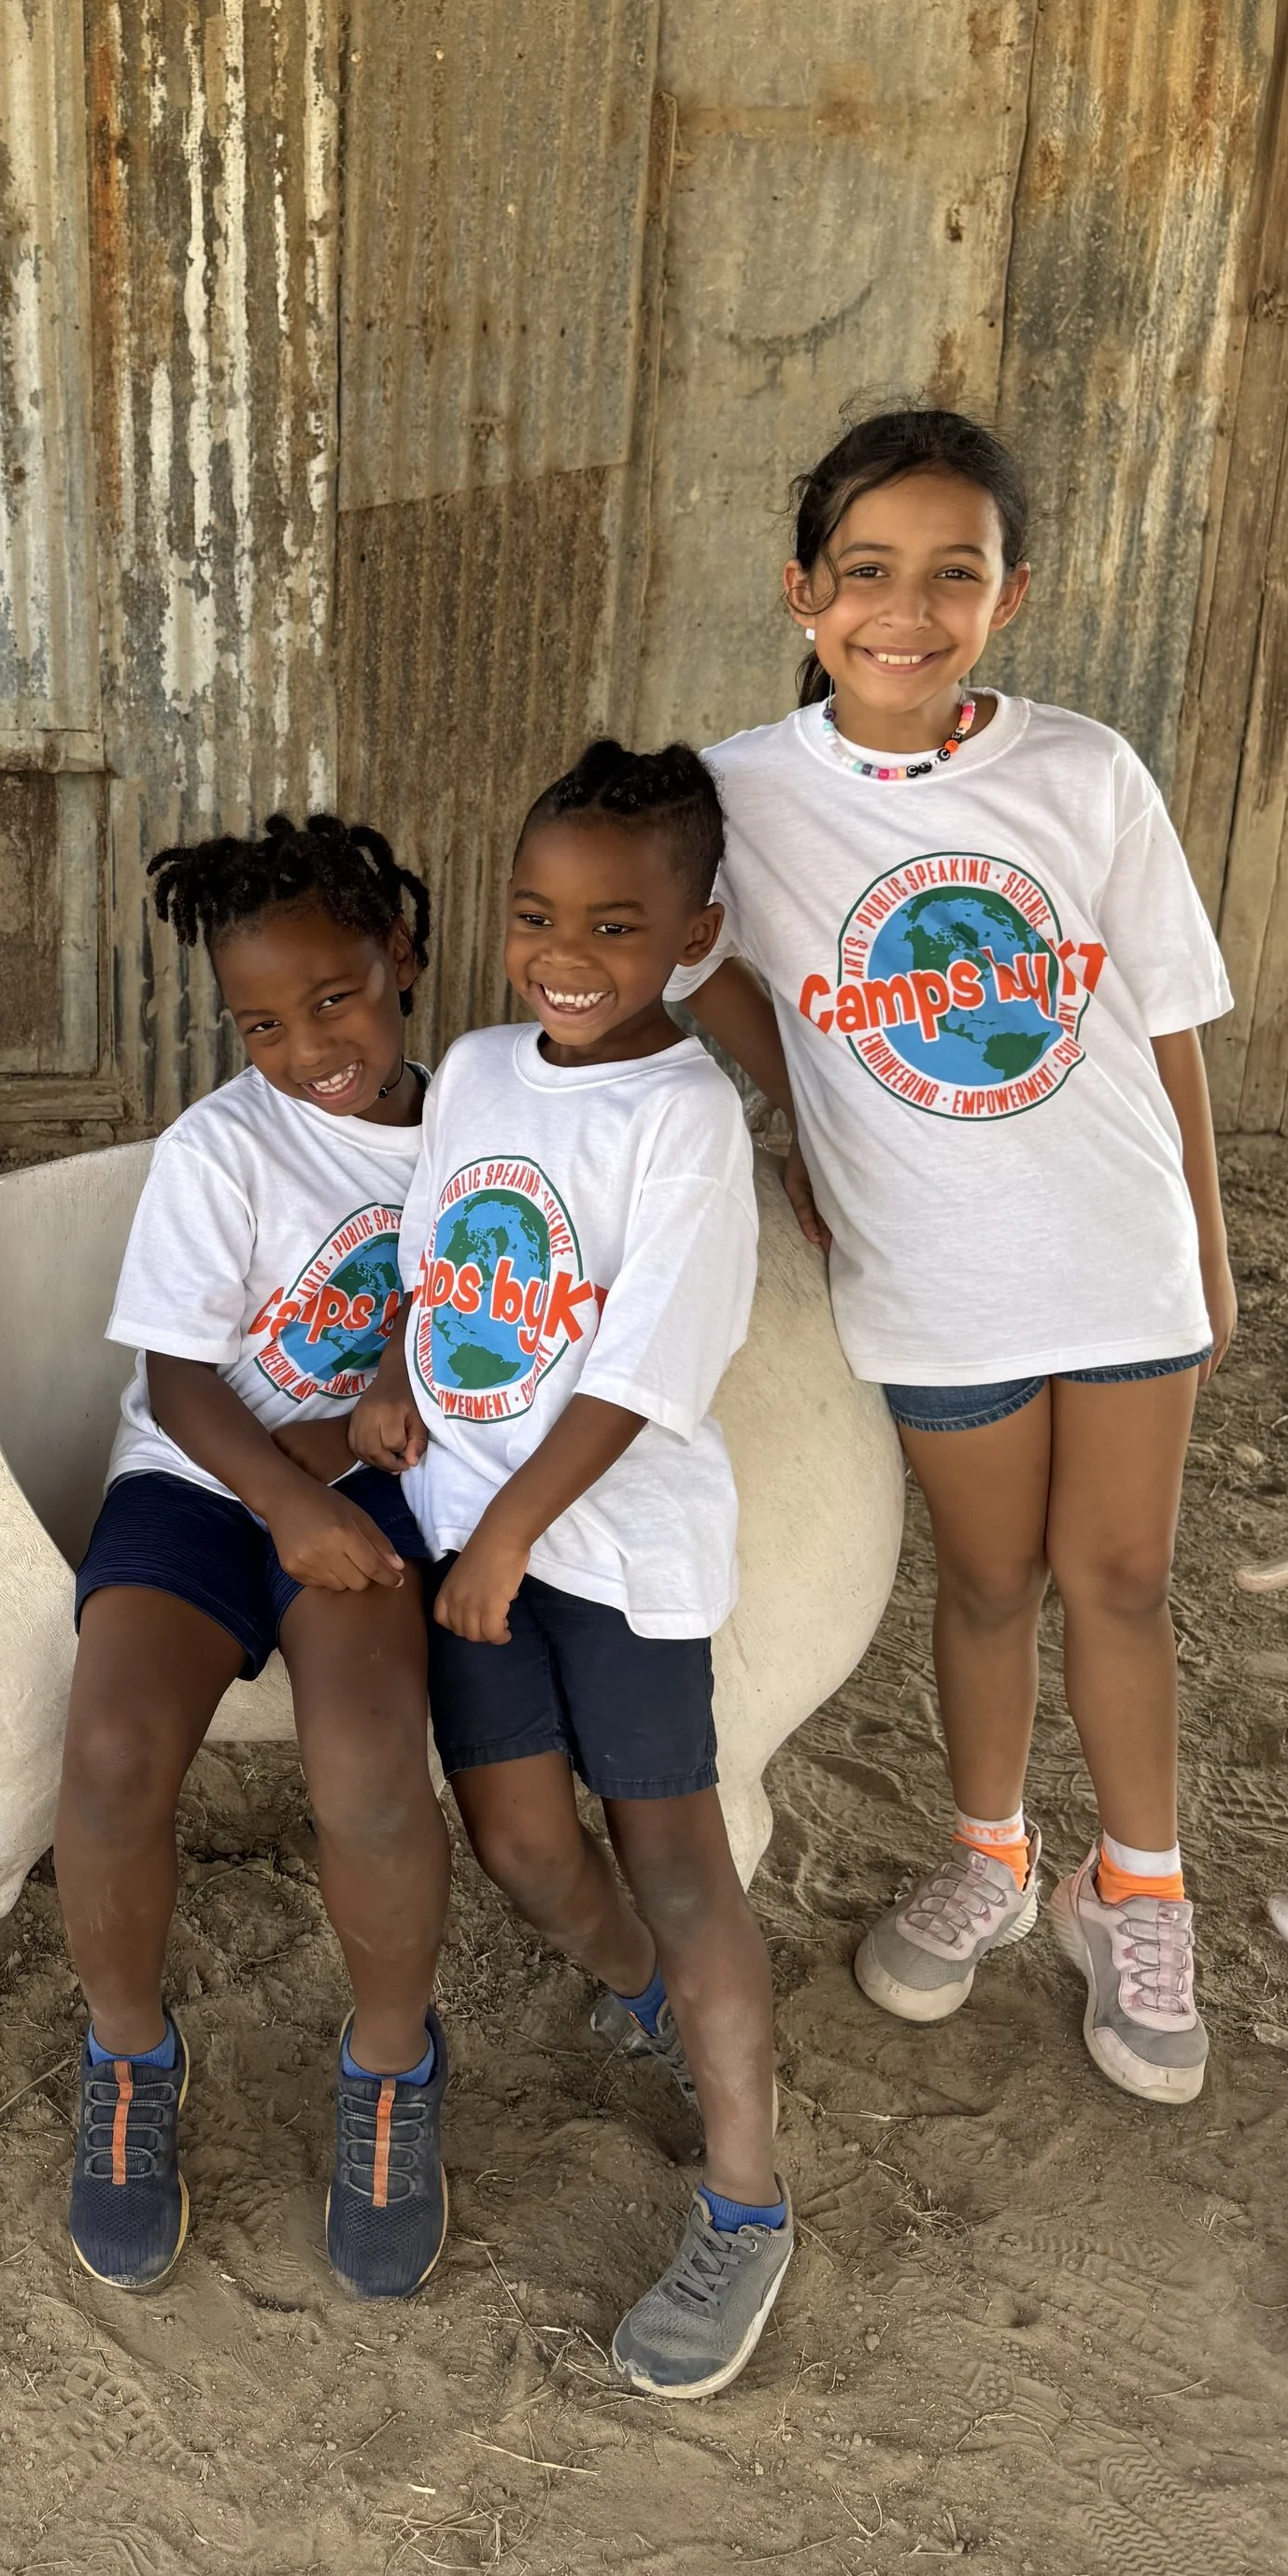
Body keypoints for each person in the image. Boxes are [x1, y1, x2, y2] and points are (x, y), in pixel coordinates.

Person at [678, 406, 1233, 2106]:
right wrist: (811, 1112)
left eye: (954, 574)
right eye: (866, 572)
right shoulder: (740, 793)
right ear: (801, 589)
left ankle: (1135, 1892)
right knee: (988, 1581)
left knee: (1119, 1580)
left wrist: (1205, 1239)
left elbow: (1170, 1018)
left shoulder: (1084, 772)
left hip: (1119, 1247)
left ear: (1010, 594)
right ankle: (992, 1856)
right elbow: (687, 961)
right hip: (934, 1273)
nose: (904, 612)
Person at [353, 741, 792, 2399]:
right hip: (473, 1526)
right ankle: (645, 2001)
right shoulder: (474, 1065)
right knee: (526, 1841)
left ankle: (747, 2199)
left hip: (602, 1542)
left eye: (616, 925)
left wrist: (520, 1532)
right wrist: (401, 1370)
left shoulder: (685, 1119)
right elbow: (441, 1254)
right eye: (537, 914)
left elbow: (632, 1374)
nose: (565, 955)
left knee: (675, 1848)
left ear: (696, 929)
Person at [56, 816, 454, 2302]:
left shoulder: (483, 1117)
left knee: (365, 1762)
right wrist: (289, 1502)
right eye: (265, 1024)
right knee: (106, 1754)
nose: (309, 1047)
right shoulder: (225, 1144)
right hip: (208, 1478)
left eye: (336, 1001)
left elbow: (480, 1277)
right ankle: (126, 2054)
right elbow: (177, 1382)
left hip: (372, 1482)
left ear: (400, 959)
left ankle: (394, 2069)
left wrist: (388, 1402)